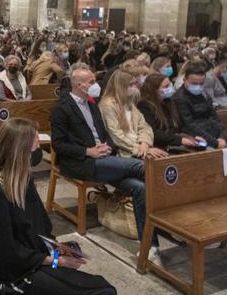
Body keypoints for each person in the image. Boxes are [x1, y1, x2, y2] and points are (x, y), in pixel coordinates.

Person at [0, 118, 116, 295]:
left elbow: (39, 226)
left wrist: (56, 249)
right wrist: (55, 261)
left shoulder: (23, 177)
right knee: (99, 292)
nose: (37, 151)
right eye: (34, 147)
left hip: (33, 258)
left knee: (101, 286)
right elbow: (4, 250)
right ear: (19, 149)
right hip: (14, 273)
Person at [50, 67, 156, 259]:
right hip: (82, 162)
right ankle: (167, 206)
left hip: (104, 158)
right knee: (141, 166)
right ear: (78, 85)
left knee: (140, 188)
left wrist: (106, 146)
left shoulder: (92, 104)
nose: (95, 84)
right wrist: (88, 151)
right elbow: (58, 144)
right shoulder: (61, 108)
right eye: (91, 82)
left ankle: (149, 245)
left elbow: (104, 134)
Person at [98, 70, 168, 160]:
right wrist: (138, 148)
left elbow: (144, 126)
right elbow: (116, 136)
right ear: (120, 87)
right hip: (125, 152)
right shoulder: (108, 105)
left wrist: (144, 143)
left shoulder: (129, 102)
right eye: (130, 85)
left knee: (165, 159)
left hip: (141, 148)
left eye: (135, 84)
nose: (135, 87)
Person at [173, 61, 227, 148]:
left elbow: (215, 117)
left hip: (216, 136)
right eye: (194, 84)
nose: (198, 87)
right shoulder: (179, 98)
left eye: (201, 84)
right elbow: (190, 126)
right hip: (199, 139)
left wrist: (223, 137)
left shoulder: (203, 93)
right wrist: (215, 142)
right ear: (184, 80)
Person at [137, 73, 200, 150]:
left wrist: (193, 137)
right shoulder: (144, 106)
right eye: (166, 86)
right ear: (154, 90)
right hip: (162, 145)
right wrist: (180, 140)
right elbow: (154, 133)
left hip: (175, 141)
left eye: (170, 84)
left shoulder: (169, 101)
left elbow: (180, 126)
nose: (170, 88)